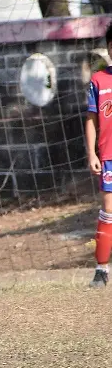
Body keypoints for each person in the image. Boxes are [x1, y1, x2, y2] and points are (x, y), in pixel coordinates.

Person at [87, 23, 112, 288]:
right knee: (109, 210)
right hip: (109, 156)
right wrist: (91, 152)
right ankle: (101, 270)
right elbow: (92, 119)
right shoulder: (99, 80)